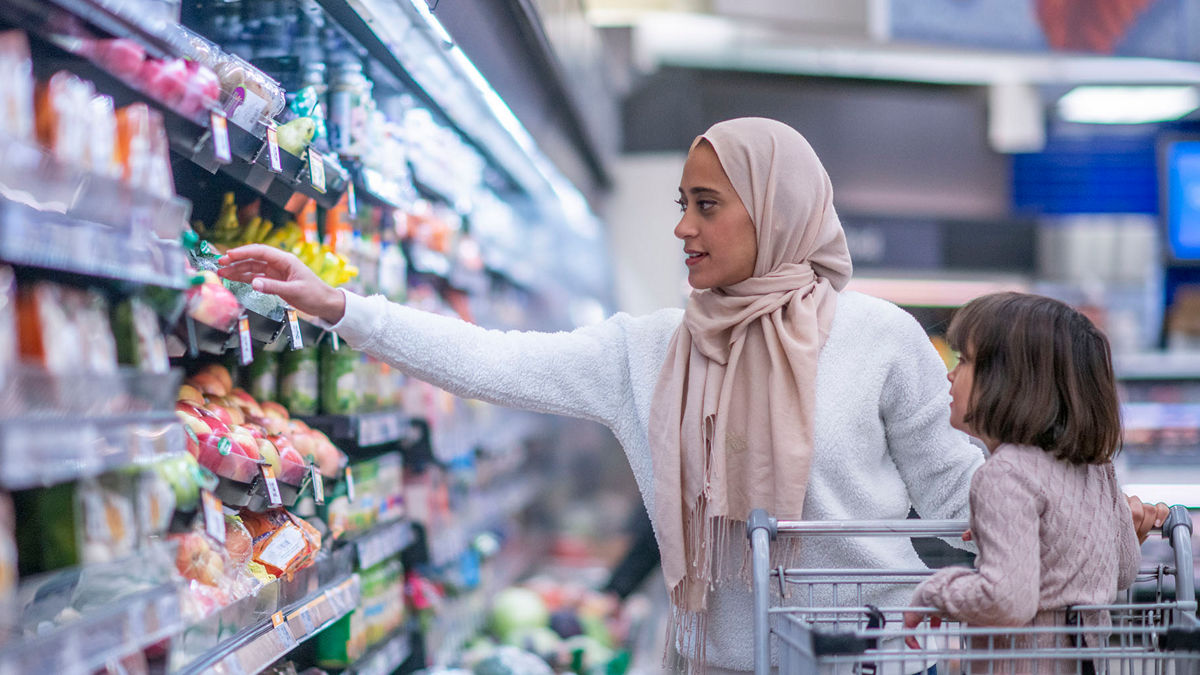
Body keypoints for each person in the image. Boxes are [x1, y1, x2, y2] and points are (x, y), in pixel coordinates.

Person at [218, 118, 1166, 673]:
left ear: (778, 208)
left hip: (871, 658)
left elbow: (959, 489)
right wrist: (343, 306)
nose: (682, 227)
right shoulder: (651, 350)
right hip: (718, 660)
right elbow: (492, 358)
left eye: (707, 204)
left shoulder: (876, 335)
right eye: (680, 202)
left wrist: (1086, 510)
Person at [902, 293, 1141, 674]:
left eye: (963, 360)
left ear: (1009, 382)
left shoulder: (1004, 474)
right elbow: (1124, 568)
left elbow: (1008, 599)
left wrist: (936, 590)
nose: (950, 373)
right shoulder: (1097, 467)